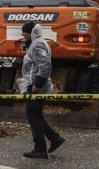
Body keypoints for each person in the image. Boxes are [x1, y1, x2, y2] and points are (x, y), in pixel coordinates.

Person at [18, 21, 65, 159]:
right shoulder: (37, 44)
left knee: (33, 114)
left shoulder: (37, 45)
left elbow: (45, 65)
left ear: (32, 33)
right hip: (35, 85)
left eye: (25, 32)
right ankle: (54, 138)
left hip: (37, 86)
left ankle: (40, 148)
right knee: (34, 114)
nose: (22, 35)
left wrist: (37, 85)